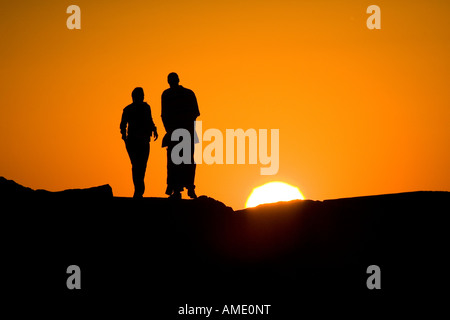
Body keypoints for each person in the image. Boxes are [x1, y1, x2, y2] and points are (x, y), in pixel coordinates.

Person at [161, 73, 200, 199]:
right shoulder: (188, 93)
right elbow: (195, 114)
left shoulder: (167, 95)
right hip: (185, 131)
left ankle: (181, 189)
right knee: (185, 161)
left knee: (177, 161)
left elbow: (164, 115)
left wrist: (171, 130)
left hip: (178, 132)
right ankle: (184, 188)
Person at [120, 87, 158, 198]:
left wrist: (154, 129)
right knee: (137, 166)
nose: (141, 97)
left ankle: (139, 190)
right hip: (133, 141)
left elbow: (150, 120)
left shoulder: (146, 107)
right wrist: (124, 137)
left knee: (141, 166)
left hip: (144, 140)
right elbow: (123, 125)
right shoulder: (128, 109)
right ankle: (139, 190)